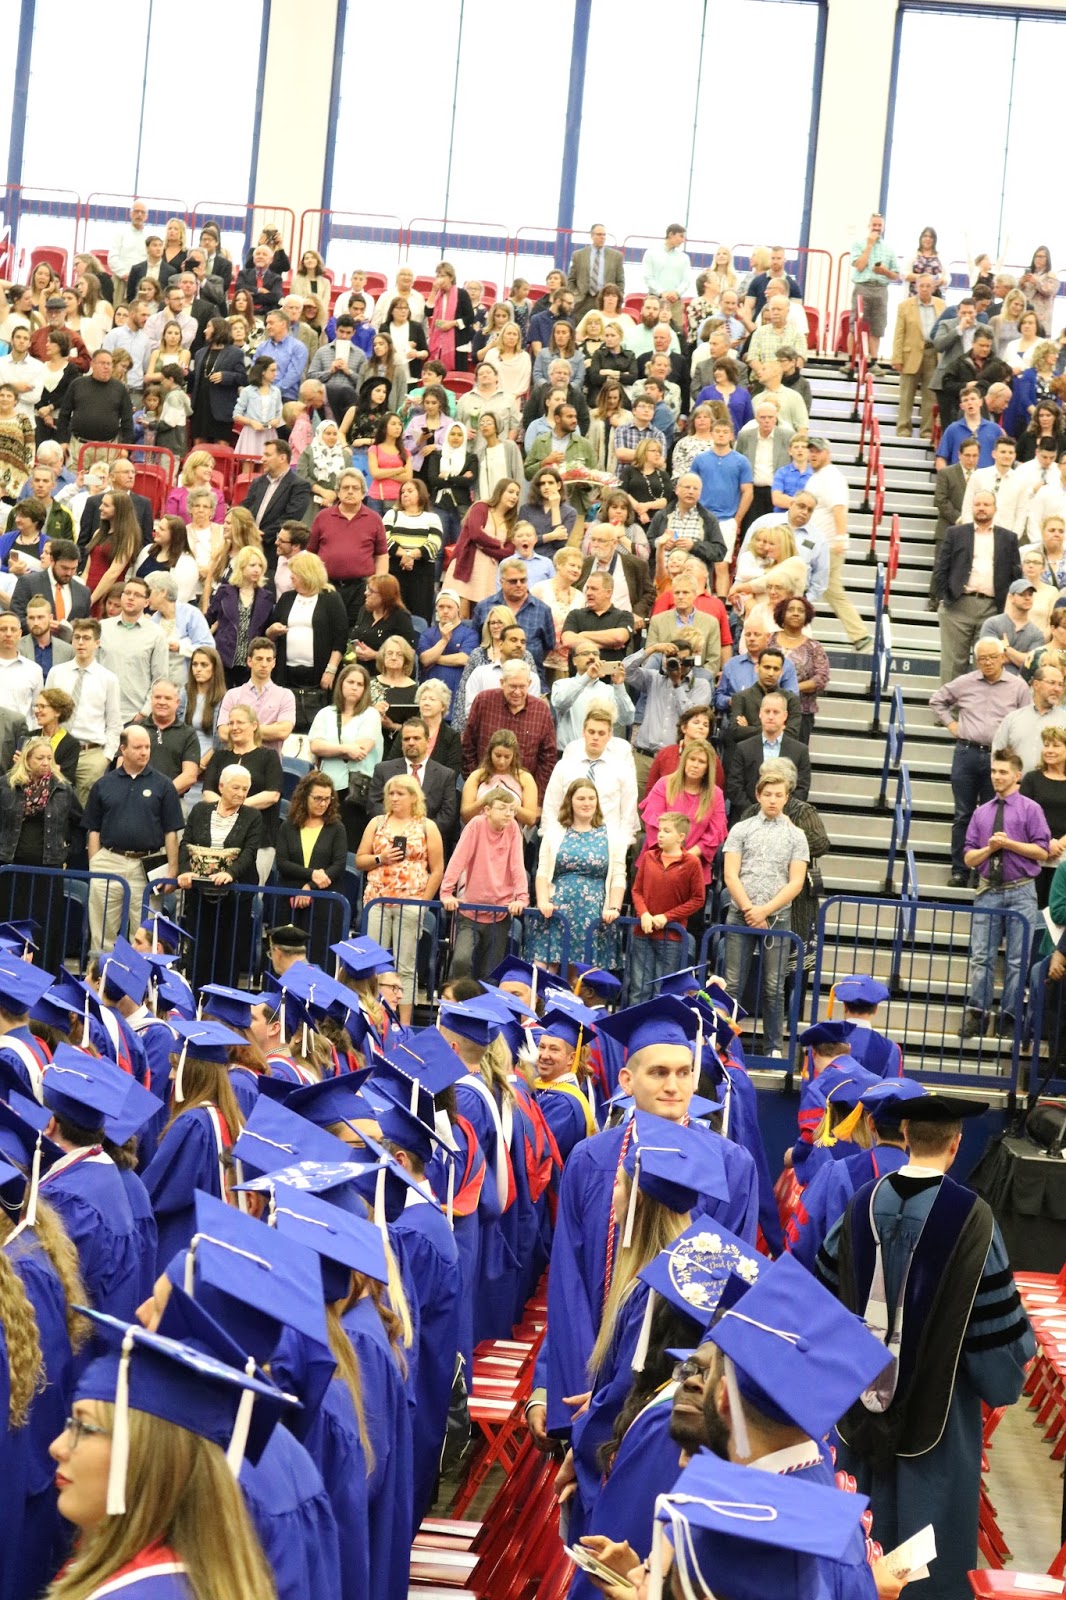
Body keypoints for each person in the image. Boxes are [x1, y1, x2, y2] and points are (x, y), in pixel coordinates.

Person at [818, 1092, 1034, 1600]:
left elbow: (822, 1298)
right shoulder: (974, 1220)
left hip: (856, 1411)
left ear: (906, 1137)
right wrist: (1005, 1376)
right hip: (940, 1418)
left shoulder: (860, 1205)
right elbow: (997, 1341)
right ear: (956, 1146)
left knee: (859, 1534)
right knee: (925, 1552)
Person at [961, 747, 1050, 1037]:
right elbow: (968, 857)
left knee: (1017, 958)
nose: (997, 777)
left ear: (1017, 775)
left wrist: (1009, 844)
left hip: (1021, 889)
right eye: (994, 771)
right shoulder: (981, 812)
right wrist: (990, 848)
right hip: (989, 889)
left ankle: (1009, 1015)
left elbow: (1042, 850)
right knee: (981, 956)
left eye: (1003, 772)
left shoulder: (1030, 809)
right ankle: (978, 1012)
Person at [722, 767, 810, 1056]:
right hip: (740, 912)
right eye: (768, 794)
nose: (773, 800)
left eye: (779, 795)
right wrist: (749, 909)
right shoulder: (742, 829)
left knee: (774, 986)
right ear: (758, 795)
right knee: (732, 983)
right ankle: (724, 1043)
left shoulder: (797, 835)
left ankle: (773, 1047)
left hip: (777, 917)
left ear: (787, 798)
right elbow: (731, 875)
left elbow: (796, 882)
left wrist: (765, 911)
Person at [930, 637, 1031, 888]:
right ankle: (959, 871)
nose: (986, 662)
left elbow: (1026, 719)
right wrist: (952, 725)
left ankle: (983, 873)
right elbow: (937, 699)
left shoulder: (1018, 686)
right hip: (967, 752)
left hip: (1000, 758)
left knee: (993, 816)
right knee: (963, 814)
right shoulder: (965, 682)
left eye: (992, 657)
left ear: (1002, 658)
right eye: (981, 658)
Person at [84, 723, 182, 948]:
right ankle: (101, 977)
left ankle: (143, 981)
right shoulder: (103, 784)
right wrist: (95, 863)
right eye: (138, 747)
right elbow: (94, 829)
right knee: (102, 931)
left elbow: (171, 831)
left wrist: (172, 869)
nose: (144, 752)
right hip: (108, 861)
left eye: (147, 747)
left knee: (144, 933)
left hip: (146, 864)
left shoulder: (164, 785)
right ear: (123, 749)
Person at [355, 774, 444, 1018]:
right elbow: (359, 859)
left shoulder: (427, 826)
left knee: (406, 965)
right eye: (391, 794)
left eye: (400, 793)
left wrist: (423, 903)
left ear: (414, 797)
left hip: (411, 903)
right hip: (377, 900)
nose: (394, 798)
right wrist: (379, 859)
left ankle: (404, 1023)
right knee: (373, 964)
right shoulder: (377, 822)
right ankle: (371, 1016)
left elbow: (437, 869)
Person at [177, 764, 264, 986]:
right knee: (200, 951)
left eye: (246, 789)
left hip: (234, 897)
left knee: (229, 953)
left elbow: (249, 852)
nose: (241, 794)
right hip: (200, 894)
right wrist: (185, 871)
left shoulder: (252, 816)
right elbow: (186, 843)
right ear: (221, 786)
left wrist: (230, 873)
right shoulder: (200, 810)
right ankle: (197, 1002)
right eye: (236, 788)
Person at [0, 736, 80, 969]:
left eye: (49, 758)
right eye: (40, 758)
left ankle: (44, 974)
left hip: (48, 870)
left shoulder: (63, 788)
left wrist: (68, 851)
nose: (46, 762)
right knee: (8, 922)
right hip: (10, 868)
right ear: (26, 759)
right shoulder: (6, 785)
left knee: (44, 925)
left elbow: (79, 823)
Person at [532, 776, 625, 970]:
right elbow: (542, 871)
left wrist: (614, 908)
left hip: (594, 914)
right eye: (581, 798)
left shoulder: (612, 834)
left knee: (583, 977)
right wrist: (543, 901)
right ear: (570, 801)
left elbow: (617, 874)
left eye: (591, 798)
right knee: (544, 971)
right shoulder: (554, 832)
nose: (587, 803)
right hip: (557, 912)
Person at [935, 488, 1023, 685]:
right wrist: (944, 598)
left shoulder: (1008, 538)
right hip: (957, 606)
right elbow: (941, 568)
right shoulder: (955, 533)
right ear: (971, 507)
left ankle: (979, 714)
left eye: (986, 504)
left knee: (986, 664)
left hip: (991, 609)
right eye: (978, 504)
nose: (982, 508)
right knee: (952, 665)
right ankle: (947, 713)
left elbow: (1015, 576)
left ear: (995, 508)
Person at [441, 788, 529, 977]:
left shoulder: (513, 827)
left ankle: (484, 1005)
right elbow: (459, 859)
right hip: (470, 910)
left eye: (512, 809)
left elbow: (517, 865)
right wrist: (446, 892)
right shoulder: (477, 824)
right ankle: (455, 1002)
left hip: (500, 913)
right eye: (502, 808)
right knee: (460, 961)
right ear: (487, 810)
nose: (509, 813)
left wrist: (522, 898)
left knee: (489, 972)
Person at [629, 811, 706, 1002]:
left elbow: (698, 899)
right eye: (659, 830)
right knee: (639, 987)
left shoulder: (691, 863)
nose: (660, 834)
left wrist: (667, 917)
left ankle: (658, 1029)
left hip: (671, 936)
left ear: (681, 837)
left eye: (667, 831)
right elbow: (636, 890)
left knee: (662, 990)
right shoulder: (648, 857)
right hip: (643, 932)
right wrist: (644, 913)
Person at [805, 435, 872, 654]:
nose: (813, 454)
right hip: (812, 543)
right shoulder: (817, 477)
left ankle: (859, 634)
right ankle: (858, 634)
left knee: (822, 588)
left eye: (817, 451)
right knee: (828, 589)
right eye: (810, 450)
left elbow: (839, 508)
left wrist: (841, 539)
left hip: (826, 545)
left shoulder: (831, 477)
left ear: (827, 453)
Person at [624, 637, 715, 795]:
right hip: (644, 757)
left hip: (676, 758)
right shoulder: (654, 678)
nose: (678, 664)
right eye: (673, 659)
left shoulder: (702, 685)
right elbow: (624, 670)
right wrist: (653, 649)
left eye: (682, 660)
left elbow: (692, 717)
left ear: (691, 661)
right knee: (638, 811)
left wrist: (677, 684)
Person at [640, 737, 726, 898]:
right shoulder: (663, 785)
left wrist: (685, 858)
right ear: (684, 760)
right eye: (692, 759)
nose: (695, 764)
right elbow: (654, 826)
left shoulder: (716, 795)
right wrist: (671, 855)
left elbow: (713, 835)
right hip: (658, 864)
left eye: (701, 761)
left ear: (708, 768)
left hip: (693, 868)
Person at [266, 550, 348, 718]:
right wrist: (272, 631)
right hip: (286, 672)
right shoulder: (287, 598)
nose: (291, 577)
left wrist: (331, 670)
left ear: (307, 574)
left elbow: (340, 638)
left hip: (319, 673)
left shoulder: (331, 598)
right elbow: (269, 633)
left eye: (294, 573)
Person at [461, 660, 558, 801]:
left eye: (522, 686)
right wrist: (475, 785)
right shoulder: (483, 702)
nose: (517, 692)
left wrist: (536, 799)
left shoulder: (541, 710)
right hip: (483, 792)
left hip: (524, 796)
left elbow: (548, 758)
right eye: (512, 686)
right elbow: (468, 745)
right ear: (502, 683)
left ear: (529, 684)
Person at [369, 716, 459, 844]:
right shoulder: (383, 770)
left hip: (429, 843)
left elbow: (447, 814)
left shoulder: (445, 775)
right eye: (406, 739)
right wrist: (394, 829)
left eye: (416, 738)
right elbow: (374, 805)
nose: (411, 742)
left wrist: (419, 833)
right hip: (388, 840)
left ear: (428, 741)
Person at [727, 692, 812, 814]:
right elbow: (734, 787)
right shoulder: (743, 748)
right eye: (767, 711)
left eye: (776, 712)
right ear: (760, 714)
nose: (771, 716)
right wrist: (756, 813)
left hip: (786, 819)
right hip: (747, 817)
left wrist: (779, 813)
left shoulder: (800, 751)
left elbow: (802, 790)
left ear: (785, 716)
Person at [205, 544, 275, 688]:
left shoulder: (266, 597)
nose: (257, 569)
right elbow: (208, 619)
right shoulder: (225, 591)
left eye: (260, 566)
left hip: (251, 661)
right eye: (252, 565)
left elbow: (265, 630)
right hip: (224, 657)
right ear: (241, 567)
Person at [891, 274, 945, 438]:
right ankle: (903, 429)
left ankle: (927, 431)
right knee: (907, 395)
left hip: (933, 354)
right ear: (916, 287)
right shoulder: (905, 306)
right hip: (910, 355)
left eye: (928, 286)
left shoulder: (942, 305)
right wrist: (897, 358)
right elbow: (899, 333)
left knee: (930, 396)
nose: (924, 289)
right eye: (921, 285)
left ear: (933, 288)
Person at [242, 440, 313, 560]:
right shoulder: (258, 482)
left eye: (268, 455)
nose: (263, 459)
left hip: (275, 551)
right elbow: (245, 507)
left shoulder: (299, 485)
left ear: (282, 458)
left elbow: (291, 517)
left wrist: (261, 534)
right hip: (249, 546)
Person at [847, 212, 899, 372]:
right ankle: (851, 362)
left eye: (879, 225)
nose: (876, 228)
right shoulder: (858, 244)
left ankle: (873, 361)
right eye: (874, 225)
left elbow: (896, 275)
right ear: (869, 226)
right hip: (862, 287)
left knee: (877, 326)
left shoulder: (889, 249)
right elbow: (860, 266)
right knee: (855, 324)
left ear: (883, 227)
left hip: (881, 289)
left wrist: (885, 271)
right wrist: (869, 246)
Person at [460, 727, 540, 829]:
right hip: (479, 832)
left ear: (514, 755)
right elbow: (465, 815)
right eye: (498, 755)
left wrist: (512, 806)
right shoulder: (477, 776)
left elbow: (531, 819)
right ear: (490, 752)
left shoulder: (525, 778)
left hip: (511, 835)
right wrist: (484, 801)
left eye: (507, 757)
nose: (502, 761)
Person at [131, 679, 201, 797]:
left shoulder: (188, 734)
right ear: (151, 700)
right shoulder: (135, 729)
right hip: (136, 798)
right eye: (157, 697)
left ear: (177, 702)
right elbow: (122, 767)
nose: (162, 702)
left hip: (172, 799)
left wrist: (161, 794)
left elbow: (190, 776)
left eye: (168, 698)